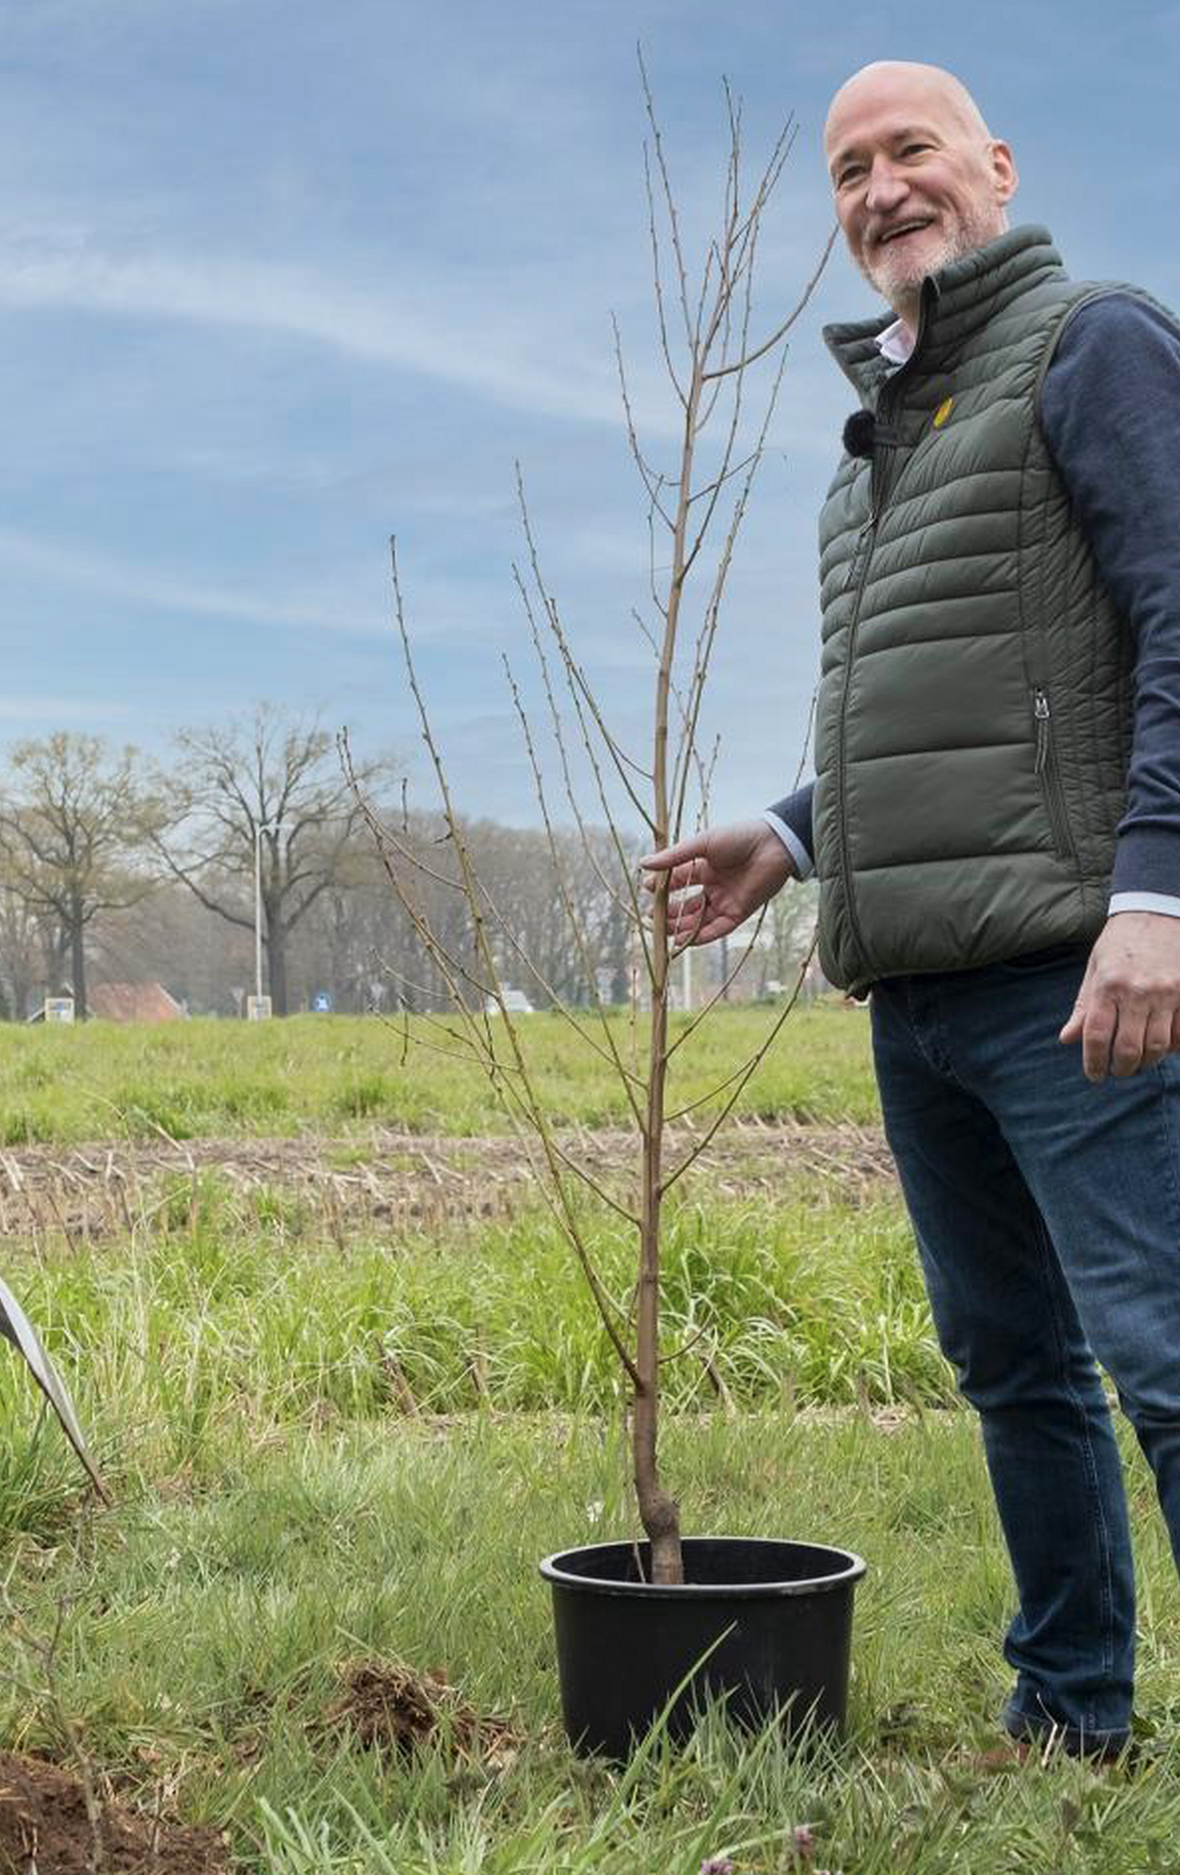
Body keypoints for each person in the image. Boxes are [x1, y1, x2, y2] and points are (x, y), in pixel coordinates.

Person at [643, 62, 1180, 1760]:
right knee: (1014, 1372)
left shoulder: (1093, 343)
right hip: (924, 994)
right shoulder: (881, 433)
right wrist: (794, 839)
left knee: (1162, 1359)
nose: (882, 188)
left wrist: (1160, 897)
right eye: (851, 169)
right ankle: (1072, 1711)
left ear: (995, 166)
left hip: (1078, 974)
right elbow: (968, 696)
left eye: (912, 152)